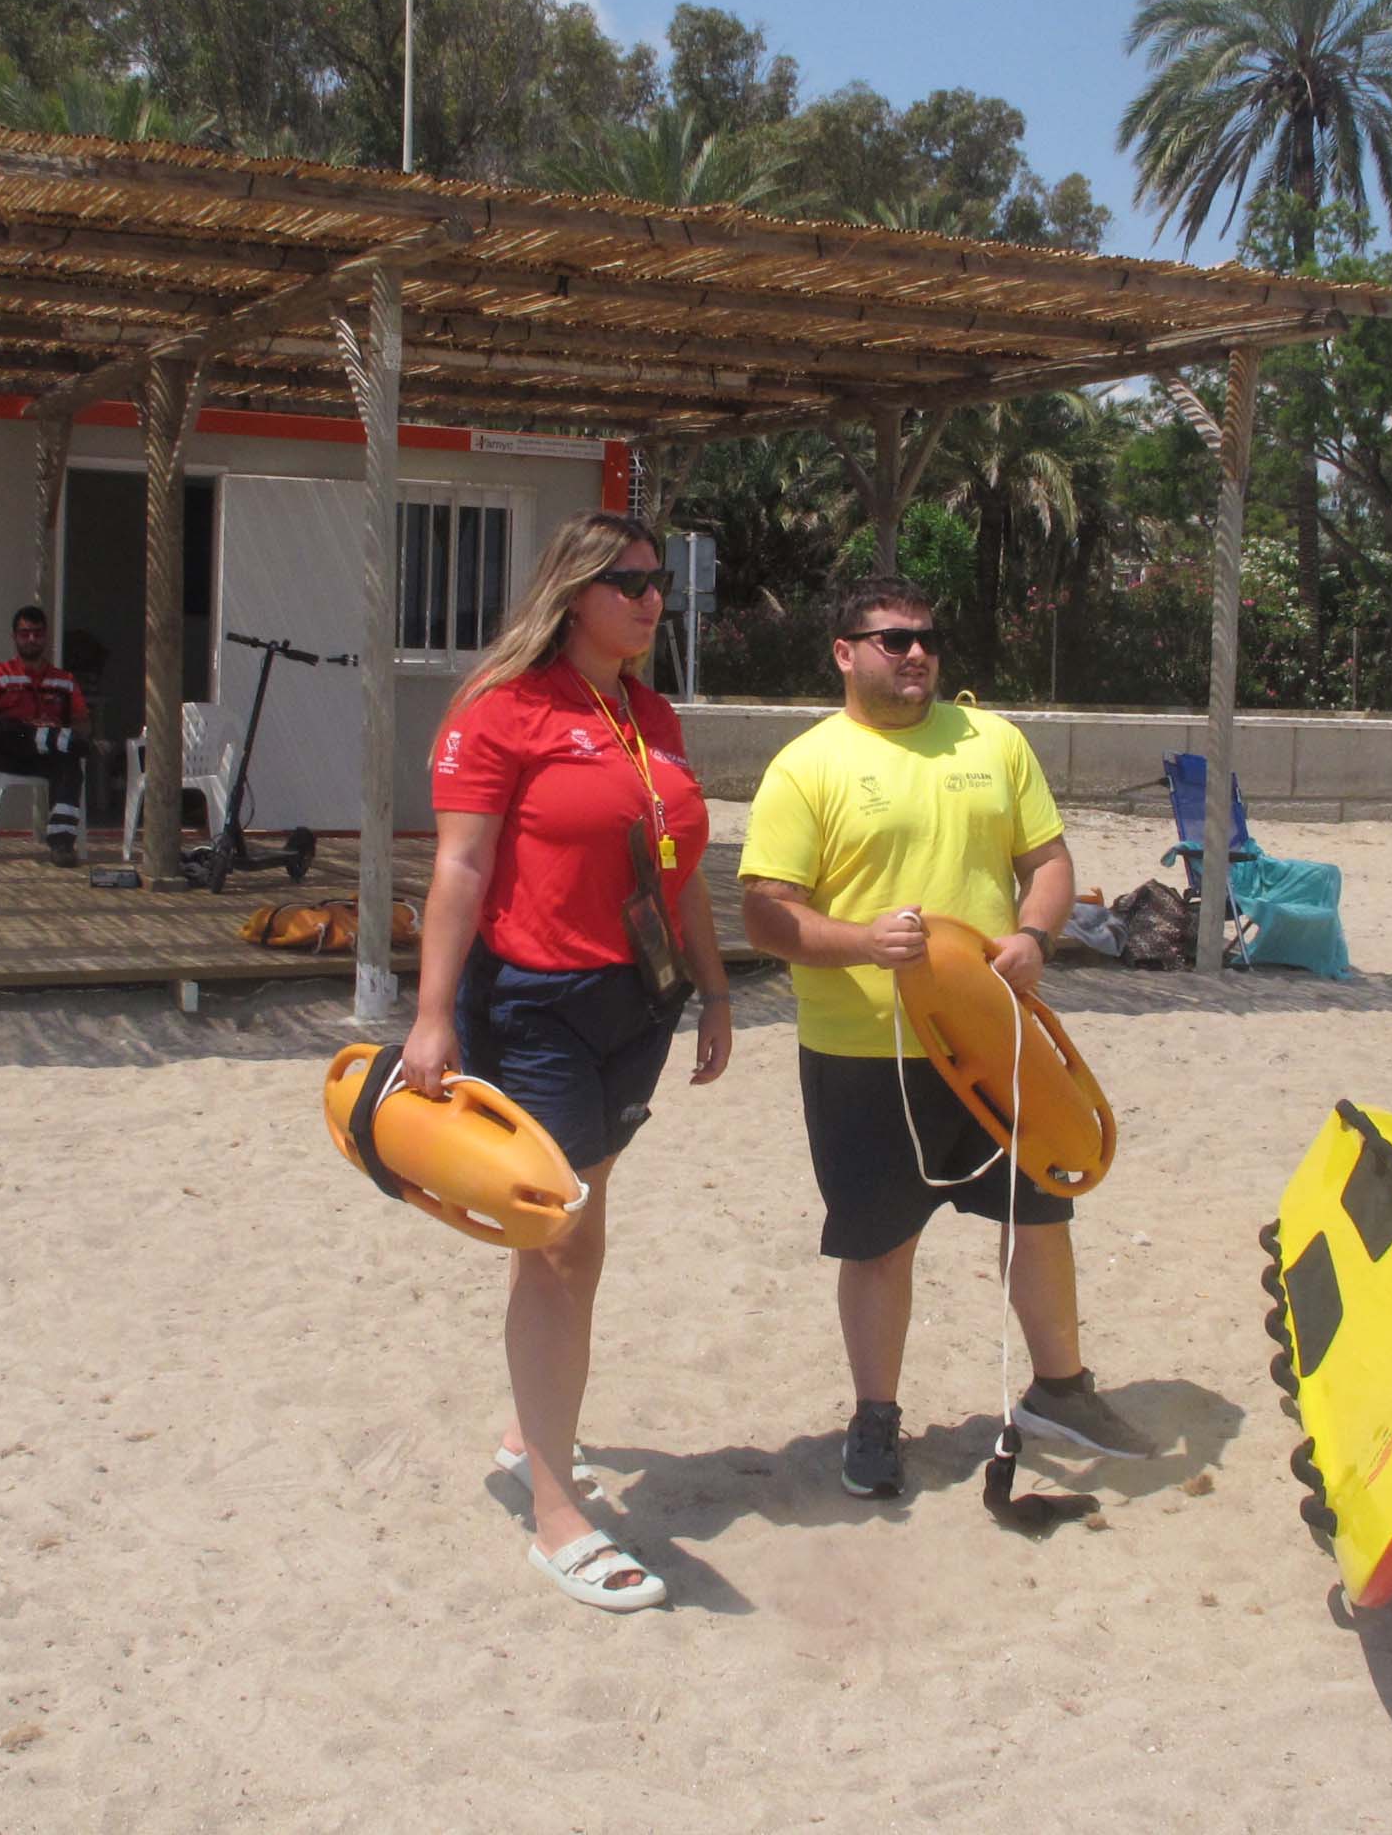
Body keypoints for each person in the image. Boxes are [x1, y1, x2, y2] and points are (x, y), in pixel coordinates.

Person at [739, 581, 1150, 1504]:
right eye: (891, 640)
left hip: (996, 1036)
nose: (915, 655)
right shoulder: (808, 767)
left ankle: (1061, 1389)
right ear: (844, 653)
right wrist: (861, 943)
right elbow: (765, 914)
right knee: (880, 1244)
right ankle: (876, 1419)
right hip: (863, 1050)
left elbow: (1046, 863)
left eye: (927, 639)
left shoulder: (994, 742)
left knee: (1041, 1215)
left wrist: (1035, 938)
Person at [402, 510, 733, 1615]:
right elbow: (458, 866)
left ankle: (525, 1431)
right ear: (572, 591)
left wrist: (715, 987)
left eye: (657, 584)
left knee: (577, 1233)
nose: (650, 599)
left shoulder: (647, 711)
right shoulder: (500, 708)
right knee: (555, 1242)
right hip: (531, 1000)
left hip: (633, 1001)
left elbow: (675, 862)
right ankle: (555, 1508)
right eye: (627, 581)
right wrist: (431, 1015)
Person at [0, 604, 90, 867]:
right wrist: (35, 734)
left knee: (69, 762)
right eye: (25, 634)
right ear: (15, 637)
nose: (31, 639)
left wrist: (54, 739)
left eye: (37, 633)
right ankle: (51, 738)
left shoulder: (64, 679)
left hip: (48, 757)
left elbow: (82, 723)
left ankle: (62, 844)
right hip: (10, 753)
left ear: (45, 636)